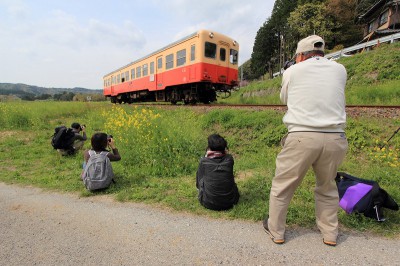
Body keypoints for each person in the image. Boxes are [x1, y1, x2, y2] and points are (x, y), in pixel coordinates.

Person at [263, 35, 348, 246]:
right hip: (335, 138)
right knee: (327, 187)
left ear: (300, 55)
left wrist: (292, 70)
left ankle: (277, 231)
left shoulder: (293, 71)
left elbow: (285, 98)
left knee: (283, 186)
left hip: (302, 137)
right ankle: (330, 234)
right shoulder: (340, 69)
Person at [196, 134, 240, 210]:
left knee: (202, 177)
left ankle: (207, 195)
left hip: (208, 203)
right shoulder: (229, 159)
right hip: (230, 202)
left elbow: (198, 181)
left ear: (209, 147)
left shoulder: (204, 161)